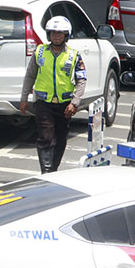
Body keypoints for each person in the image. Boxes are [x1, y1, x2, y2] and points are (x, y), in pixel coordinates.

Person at [19, 16, 87, 173]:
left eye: (60, 33)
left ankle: (53, 169)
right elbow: (30, 76)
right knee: (45, 138)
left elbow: (81, 80)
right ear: (48, 34)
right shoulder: (39, 52)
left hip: (65, 105)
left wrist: (74, 102)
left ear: (66, 35)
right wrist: (24, 98)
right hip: (43, 103)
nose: (56, 36)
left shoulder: (74, 55)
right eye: (53, 33)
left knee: (60, 139)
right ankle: (46, 171)